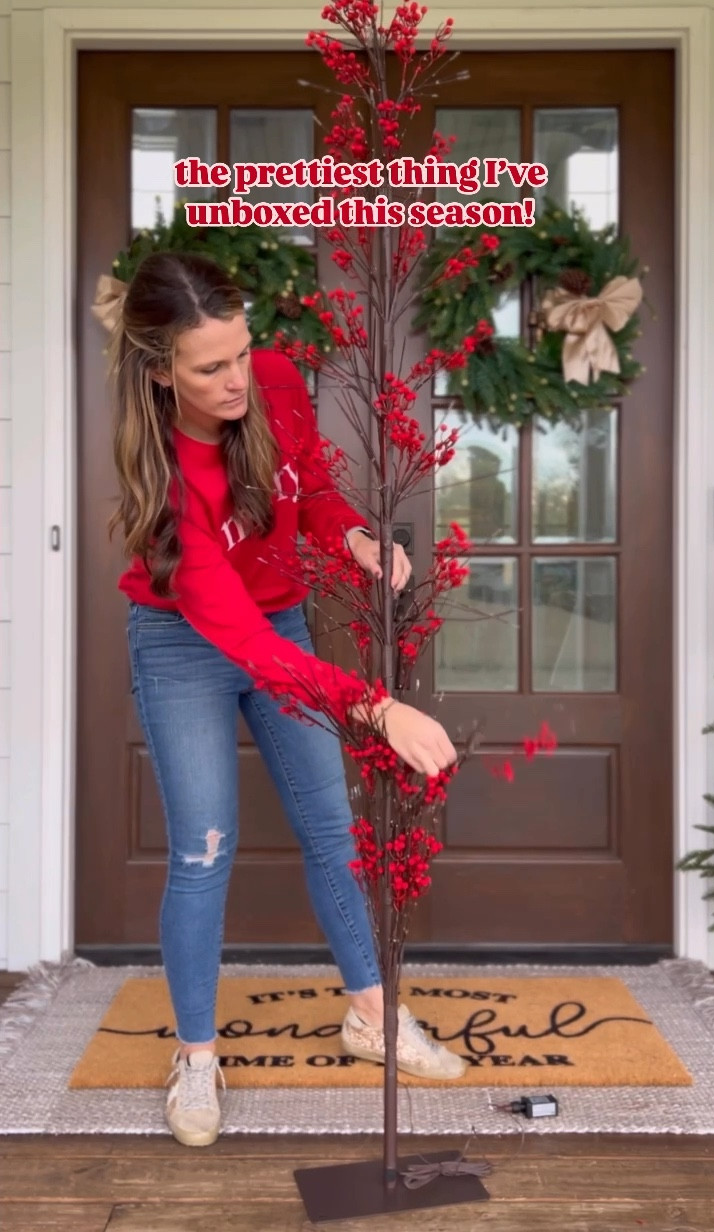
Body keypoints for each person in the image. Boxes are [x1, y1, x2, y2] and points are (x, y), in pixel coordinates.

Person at [102, 250, 464, 1149]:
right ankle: (196, 1057)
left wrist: (354, 536)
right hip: (188, 645)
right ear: (161, 372)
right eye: (209, 368)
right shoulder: (169, 490)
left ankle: (374, 1016)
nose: (238, 379)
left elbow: (311, 488)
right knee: (203, 851)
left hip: (282, 619)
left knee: (332, 828)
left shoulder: (271, 381)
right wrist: (378, 708)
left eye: (241, 351)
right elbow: (252, 651)